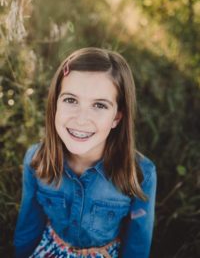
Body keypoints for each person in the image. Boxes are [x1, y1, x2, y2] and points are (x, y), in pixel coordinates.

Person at [14, 47, 157, 258]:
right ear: (55, 105)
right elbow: (28, 224)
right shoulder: (36, 160)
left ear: (117, 117)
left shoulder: (141, 173)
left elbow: (138, 244)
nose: (81, 119)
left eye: (99, 105)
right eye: (71, 100)